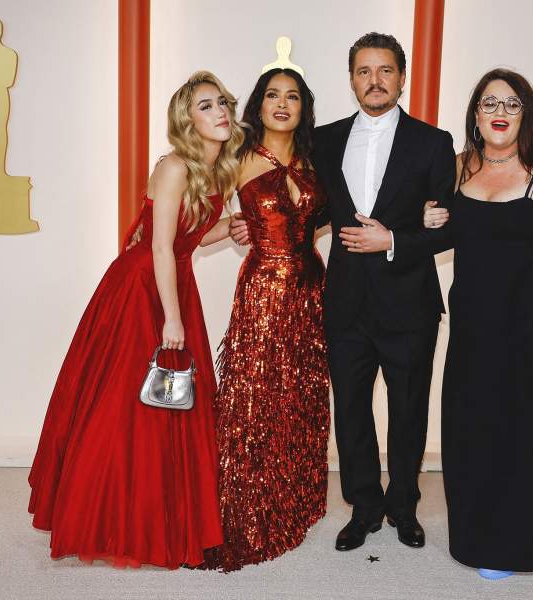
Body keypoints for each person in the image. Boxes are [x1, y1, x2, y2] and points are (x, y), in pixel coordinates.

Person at [27, 71, 244, 569]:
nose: (220, 112)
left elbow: (190, 238)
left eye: (223, 103)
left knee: (171, 403)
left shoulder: (217, 171)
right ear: (187, 120)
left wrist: (233, 226)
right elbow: (161, 246)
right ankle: (108, 517)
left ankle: (164, 518)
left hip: (172, 281)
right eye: (206, 106)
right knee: (125, 401)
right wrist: (172, 318)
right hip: (141, 287)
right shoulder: (174, 167)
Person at [426, 68, 533, 579]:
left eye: (512, 103)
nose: (500, 112)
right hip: (471, 326)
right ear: (475, 114)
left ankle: (512, 549)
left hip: (525, 327)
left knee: (517, 435)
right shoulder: (457, 168)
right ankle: (472, 539)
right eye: (490, 103)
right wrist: (430, 217)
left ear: (526, 115)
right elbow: (437, 230)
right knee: (469, 429)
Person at [313, 32, 456, 551]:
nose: (375, 81)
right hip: (345, 300)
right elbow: (310, 210)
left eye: (385, 70)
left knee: (409, 409)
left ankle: (404, 507)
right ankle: (364, 508)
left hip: (410, 301)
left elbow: (449, 227)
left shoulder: (434, 142)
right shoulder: (323, 140)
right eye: (364, 71)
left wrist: (393, 239)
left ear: (402, 77)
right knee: (351, 410)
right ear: (352, 80)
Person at [201, 68, 330, 571]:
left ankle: (291, 501)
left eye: (292, 96)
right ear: (258, 105)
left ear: (303, 108)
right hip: (262, 292)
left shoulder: (316, 160)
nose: (282, 104)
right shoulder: (237, 158)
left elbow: (324, 217)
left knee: (300, 398)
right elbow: (195, 219)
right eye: (272, 95)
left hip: (311, 292)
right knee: (254, 399)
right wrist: (232, 225)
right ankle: (247, 509)